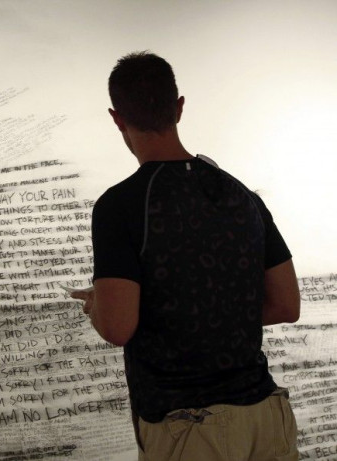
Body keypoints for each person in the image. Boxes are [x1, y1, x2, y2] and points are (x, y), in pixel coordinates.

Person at [71, 52, 301, 461]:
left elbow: (119, 327)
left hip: (190, 431)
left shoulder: (119, 206)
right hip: (268, 417)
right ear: (179, 107)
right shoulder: (241, 195)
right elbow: (286, 304)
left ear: (116, 117)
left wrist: (97, 305)